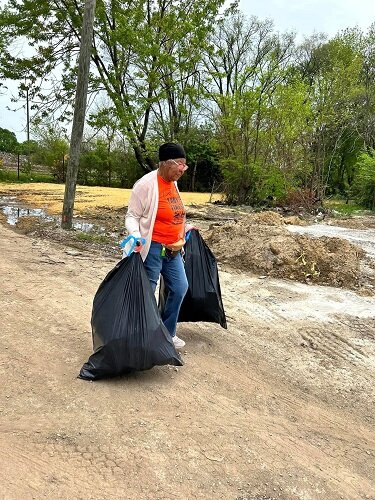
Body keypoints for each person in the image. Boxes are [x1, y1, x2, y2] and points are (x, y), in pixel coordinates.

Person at [125, 142, 191, 349]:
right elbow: (132, 216)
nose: (182, 169)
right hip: (153, 247)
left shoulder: (174, 183)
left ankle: (167, 332)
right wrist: (135, 235)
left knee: (180, 287)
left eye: (184, 165)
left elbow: (172, 213)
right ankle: (142, 334)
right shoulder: (145, 185)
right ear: (165, 163)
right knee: (148, 291)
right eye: (179, 164)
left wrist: (184, 228)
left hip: (173, 249)